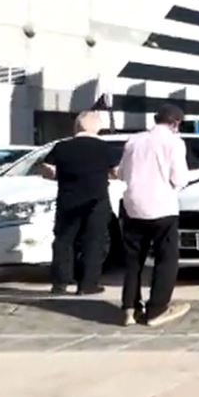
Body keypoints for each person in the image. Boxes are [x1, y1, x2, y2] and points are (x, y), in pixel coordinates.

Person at [117, 104, 190, 327]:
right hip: (162, 207)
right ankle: (157, 309)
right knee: (166, 259)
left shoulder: (134, 141)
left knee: (133, 260)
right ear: (175, 123)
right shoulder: (174, 142)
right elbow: (179, 178)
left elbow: (121, 173)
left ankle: (130, 308)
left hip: (133, 205)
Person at [42, 111, 119, 296]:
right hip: (96, 201)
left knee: (64, 240)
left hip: (68, 200)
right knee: (94, 241)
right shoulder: (105, 148)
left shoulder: (61, 147)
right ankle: (87, 284)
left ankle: (60, 284)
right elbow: (116, 172)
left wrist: (60, 175)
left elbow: (47, 169)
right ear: (97, 128)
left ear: (77, 127)